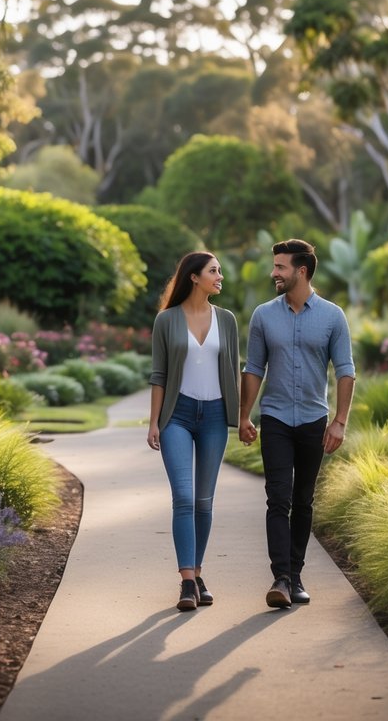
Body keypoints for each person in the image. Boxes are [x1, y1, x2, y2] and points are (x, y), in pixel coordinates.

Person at [239, 238, 355, 609]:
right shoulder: (263, 315)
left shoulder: (333, 316)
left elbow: (346, 372)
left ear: (301, 271)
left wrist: (339, 422)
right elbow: (254, 368)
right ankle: (281, 577)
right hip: (274, 417)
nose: (274, 272)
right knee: (278, 498)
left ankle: (297, 575)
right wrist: (243, 416)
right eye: (274, 266)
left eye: (280, 267)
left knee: (304, 500)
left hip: (312, 419)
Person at [148, 251, 241, 611]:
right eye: (214, 271)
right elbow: (159, 375)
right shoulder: (167, 321)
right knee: (184, 498)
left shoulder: (227, 320)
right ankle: (187, 581)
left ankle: (198, 572)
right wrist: (155, 421)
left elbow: (233, 373)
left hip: (215, 416)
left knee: (204, 501)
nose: (220, 276)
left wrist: (241, 416)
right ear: (194, 277)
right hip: (178, 416)